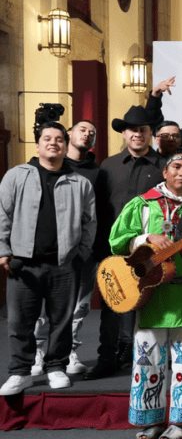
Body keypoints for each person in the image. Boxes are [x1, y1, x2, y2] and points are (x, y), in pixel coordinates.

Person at [108, 149, 182, 439]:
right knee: (147, 359)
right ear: (165, 172)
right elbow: (116, 240)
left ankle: (181, 420)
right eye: (176, 166)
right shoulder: (143, 204)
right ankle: (150, 421)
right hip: (150, 293)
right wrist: (145, 238)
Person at [0, 122, 96, 395]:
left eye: (59, 139)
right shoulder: (17, 176)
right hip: (24, 264)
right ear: (38, 143)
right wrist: (3, 250)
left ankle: (56, 367)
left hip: (64, 264)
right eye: (47, 138)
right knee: (20, 322)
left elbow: (90, 223)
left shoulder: (80, 182)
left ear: (66, 145)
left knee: (62, 321)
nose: (53, 143)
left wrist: (81, 254)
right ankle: (20, 372)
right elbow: (2, 215)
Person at [85, 106, 166, 380]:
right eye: (133, 130)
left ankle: (141, 359)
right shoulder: (108, 166)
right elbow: (98, 208)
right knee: (111, 303)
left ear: (150, 133)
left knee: (145, 302)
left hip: (147, 249)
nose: (138, 135)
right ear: (124, 133)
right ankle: (106, 358)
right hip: (113, 247)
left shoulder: (164, 167)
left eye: (143, 130)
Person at [31, 120, 100, 376]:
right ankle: (38, 353)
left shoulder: (96, 171)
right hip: (44, 252)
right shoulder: (47, 166)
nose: (88, 134)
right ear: (68, 134)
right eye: (82, 129)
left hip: (81, 253)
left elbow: (93, 215)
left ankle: (68, 352)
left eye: (92, 132)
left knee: (78, 307)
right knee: (41, 308)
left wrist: (85, 249)